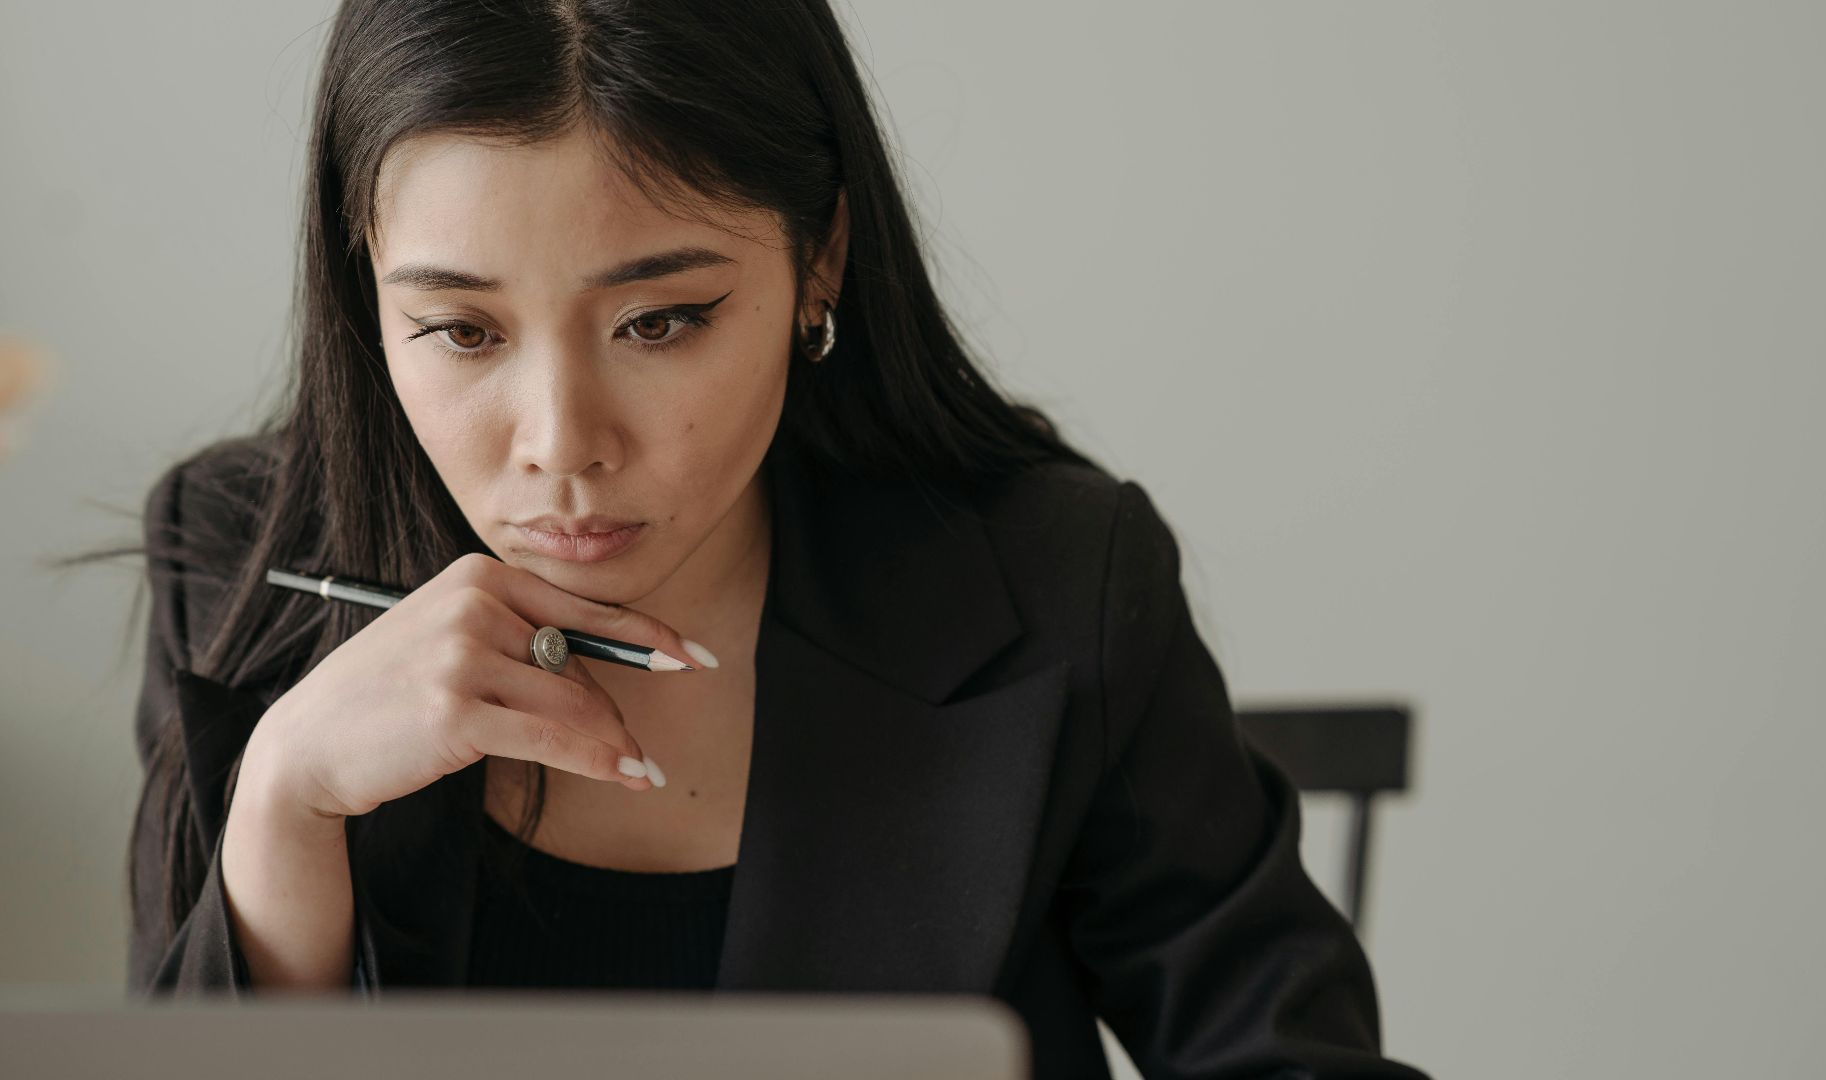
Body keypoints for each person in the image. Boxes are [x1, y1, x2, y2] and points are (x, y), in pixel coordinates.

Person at [100, 2, 1432, 1076]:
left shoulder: (1053, 576)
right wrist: (285, 800)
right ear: (361, 292)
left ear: (821, 262)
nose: (562, 441)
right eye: (461, 331)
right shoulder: (231, 557)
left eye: (663, 321)